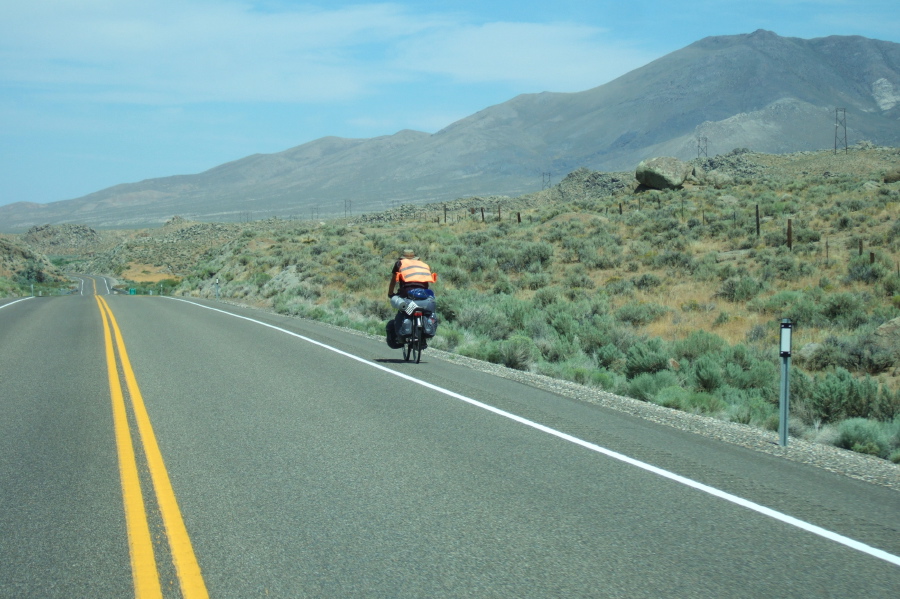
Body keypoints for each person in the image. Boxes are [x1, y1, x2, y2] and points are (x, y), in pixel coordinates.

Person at [386, 249, 435, 348]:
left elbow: (393, 280)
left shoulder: (400, 264)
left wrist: (391, 293)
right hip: (424, 295)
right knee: (426, 312)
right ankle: (422, 339)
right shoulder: (423, 265)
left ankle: (403, 336)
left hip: (407, 294)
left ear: (402, 257)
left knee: (404, 311)